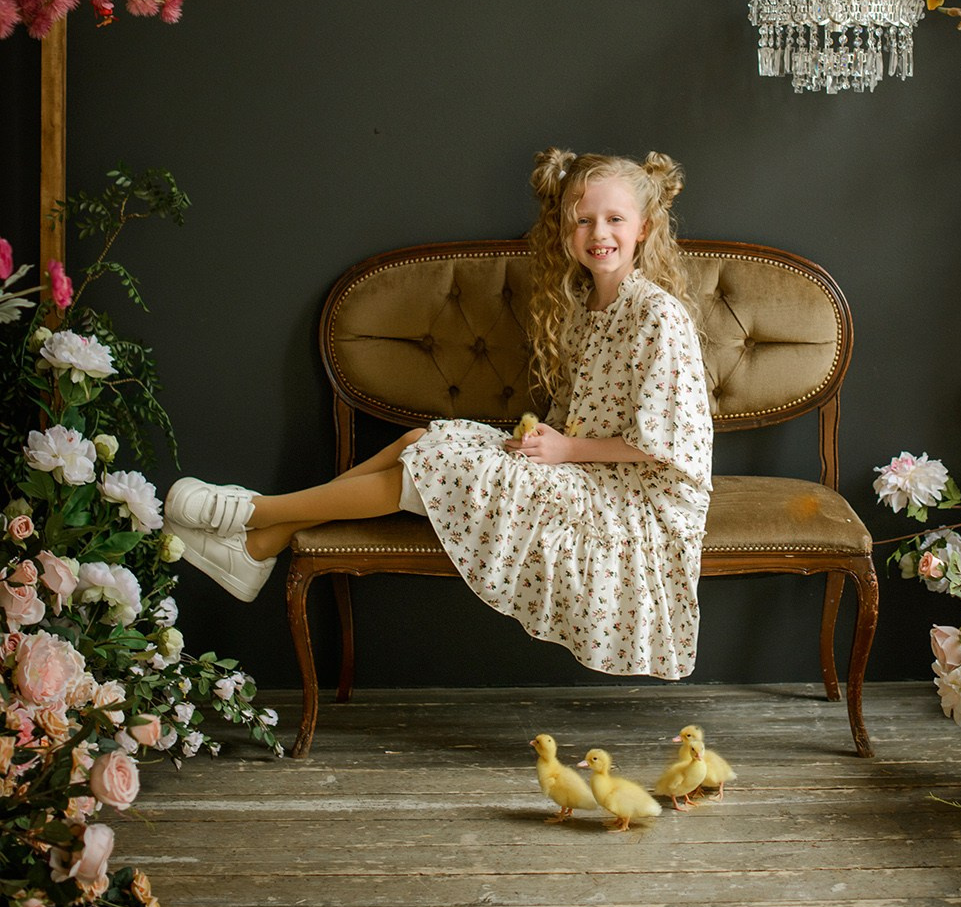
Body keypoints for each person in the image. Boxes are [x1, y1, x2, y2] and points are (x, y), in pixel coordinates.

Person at [165, 149, 714, 679]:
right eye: (583, 220)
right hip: (586, 471)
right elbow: (577, 415)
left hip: (639, 501)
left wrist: (566, 451)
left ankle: (255, 518)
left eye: (614, 219)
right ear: (565, 229)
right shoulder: (584, 308)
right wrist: (547, 441)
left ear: (643, 228)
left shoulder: (657, 315)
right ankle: (259, 547)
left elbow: (664, 445)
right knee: (423, 440)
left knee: (440, 465)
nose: (599, 234)